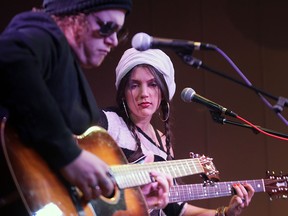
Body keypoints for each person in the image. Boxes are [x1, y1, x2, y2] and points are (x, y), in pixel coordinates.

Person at [0, 1, 171, 215]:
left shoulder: (64, 63)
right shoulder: (43, 30)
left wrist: (135, 198)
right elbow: (9, 56)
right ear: (73, 16)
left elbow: (66, 185)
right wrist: (70, 156)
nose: (114, 40)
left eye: (119, 31)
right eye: (107, 27)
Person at [101, 47, 255, 216]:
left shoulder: (162, 142)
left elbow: (175, 208)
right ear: (123, 92)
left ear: (163, 92)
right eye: (135, 85)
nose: (144, 93)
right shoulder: (109, 122)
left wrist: (224, 213)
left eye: (152, 84)